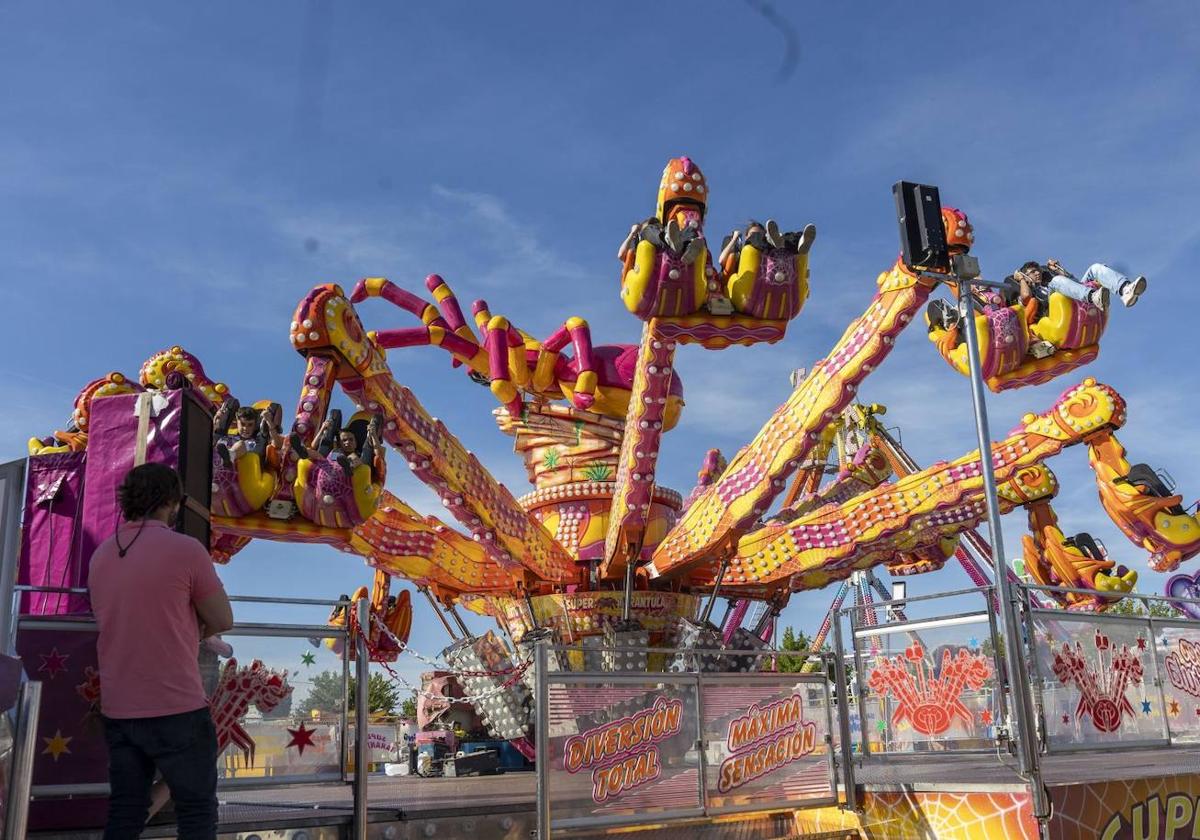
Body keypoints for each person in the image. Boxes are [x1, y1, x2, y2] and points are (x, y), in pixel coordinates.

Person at [88, 463, 233, 840]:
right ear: (172, 502)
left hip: (119, 707)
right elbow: (223, 618)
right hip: (177, 706)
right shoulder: (186, 550)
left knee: (125, 812)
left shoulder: (101, 556)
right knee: (197, 811)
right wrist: (196, 626)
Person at [1013, 260, 1147, 311]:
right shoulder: (1031, 290)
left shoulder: (1050, 281)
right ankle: (1094, 297)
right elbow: (1025, 297)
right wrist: (1021, 280)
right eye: (1032, 272)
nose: (1037, 273)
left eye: (1038, 270)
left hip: (1077, 296)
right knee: (1056, 281)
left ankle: (1125, 289)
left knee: (1095, 268)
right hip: (1052, 309)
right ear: (1025, 275)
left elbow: (1075, 283)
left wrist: (1058, 269)